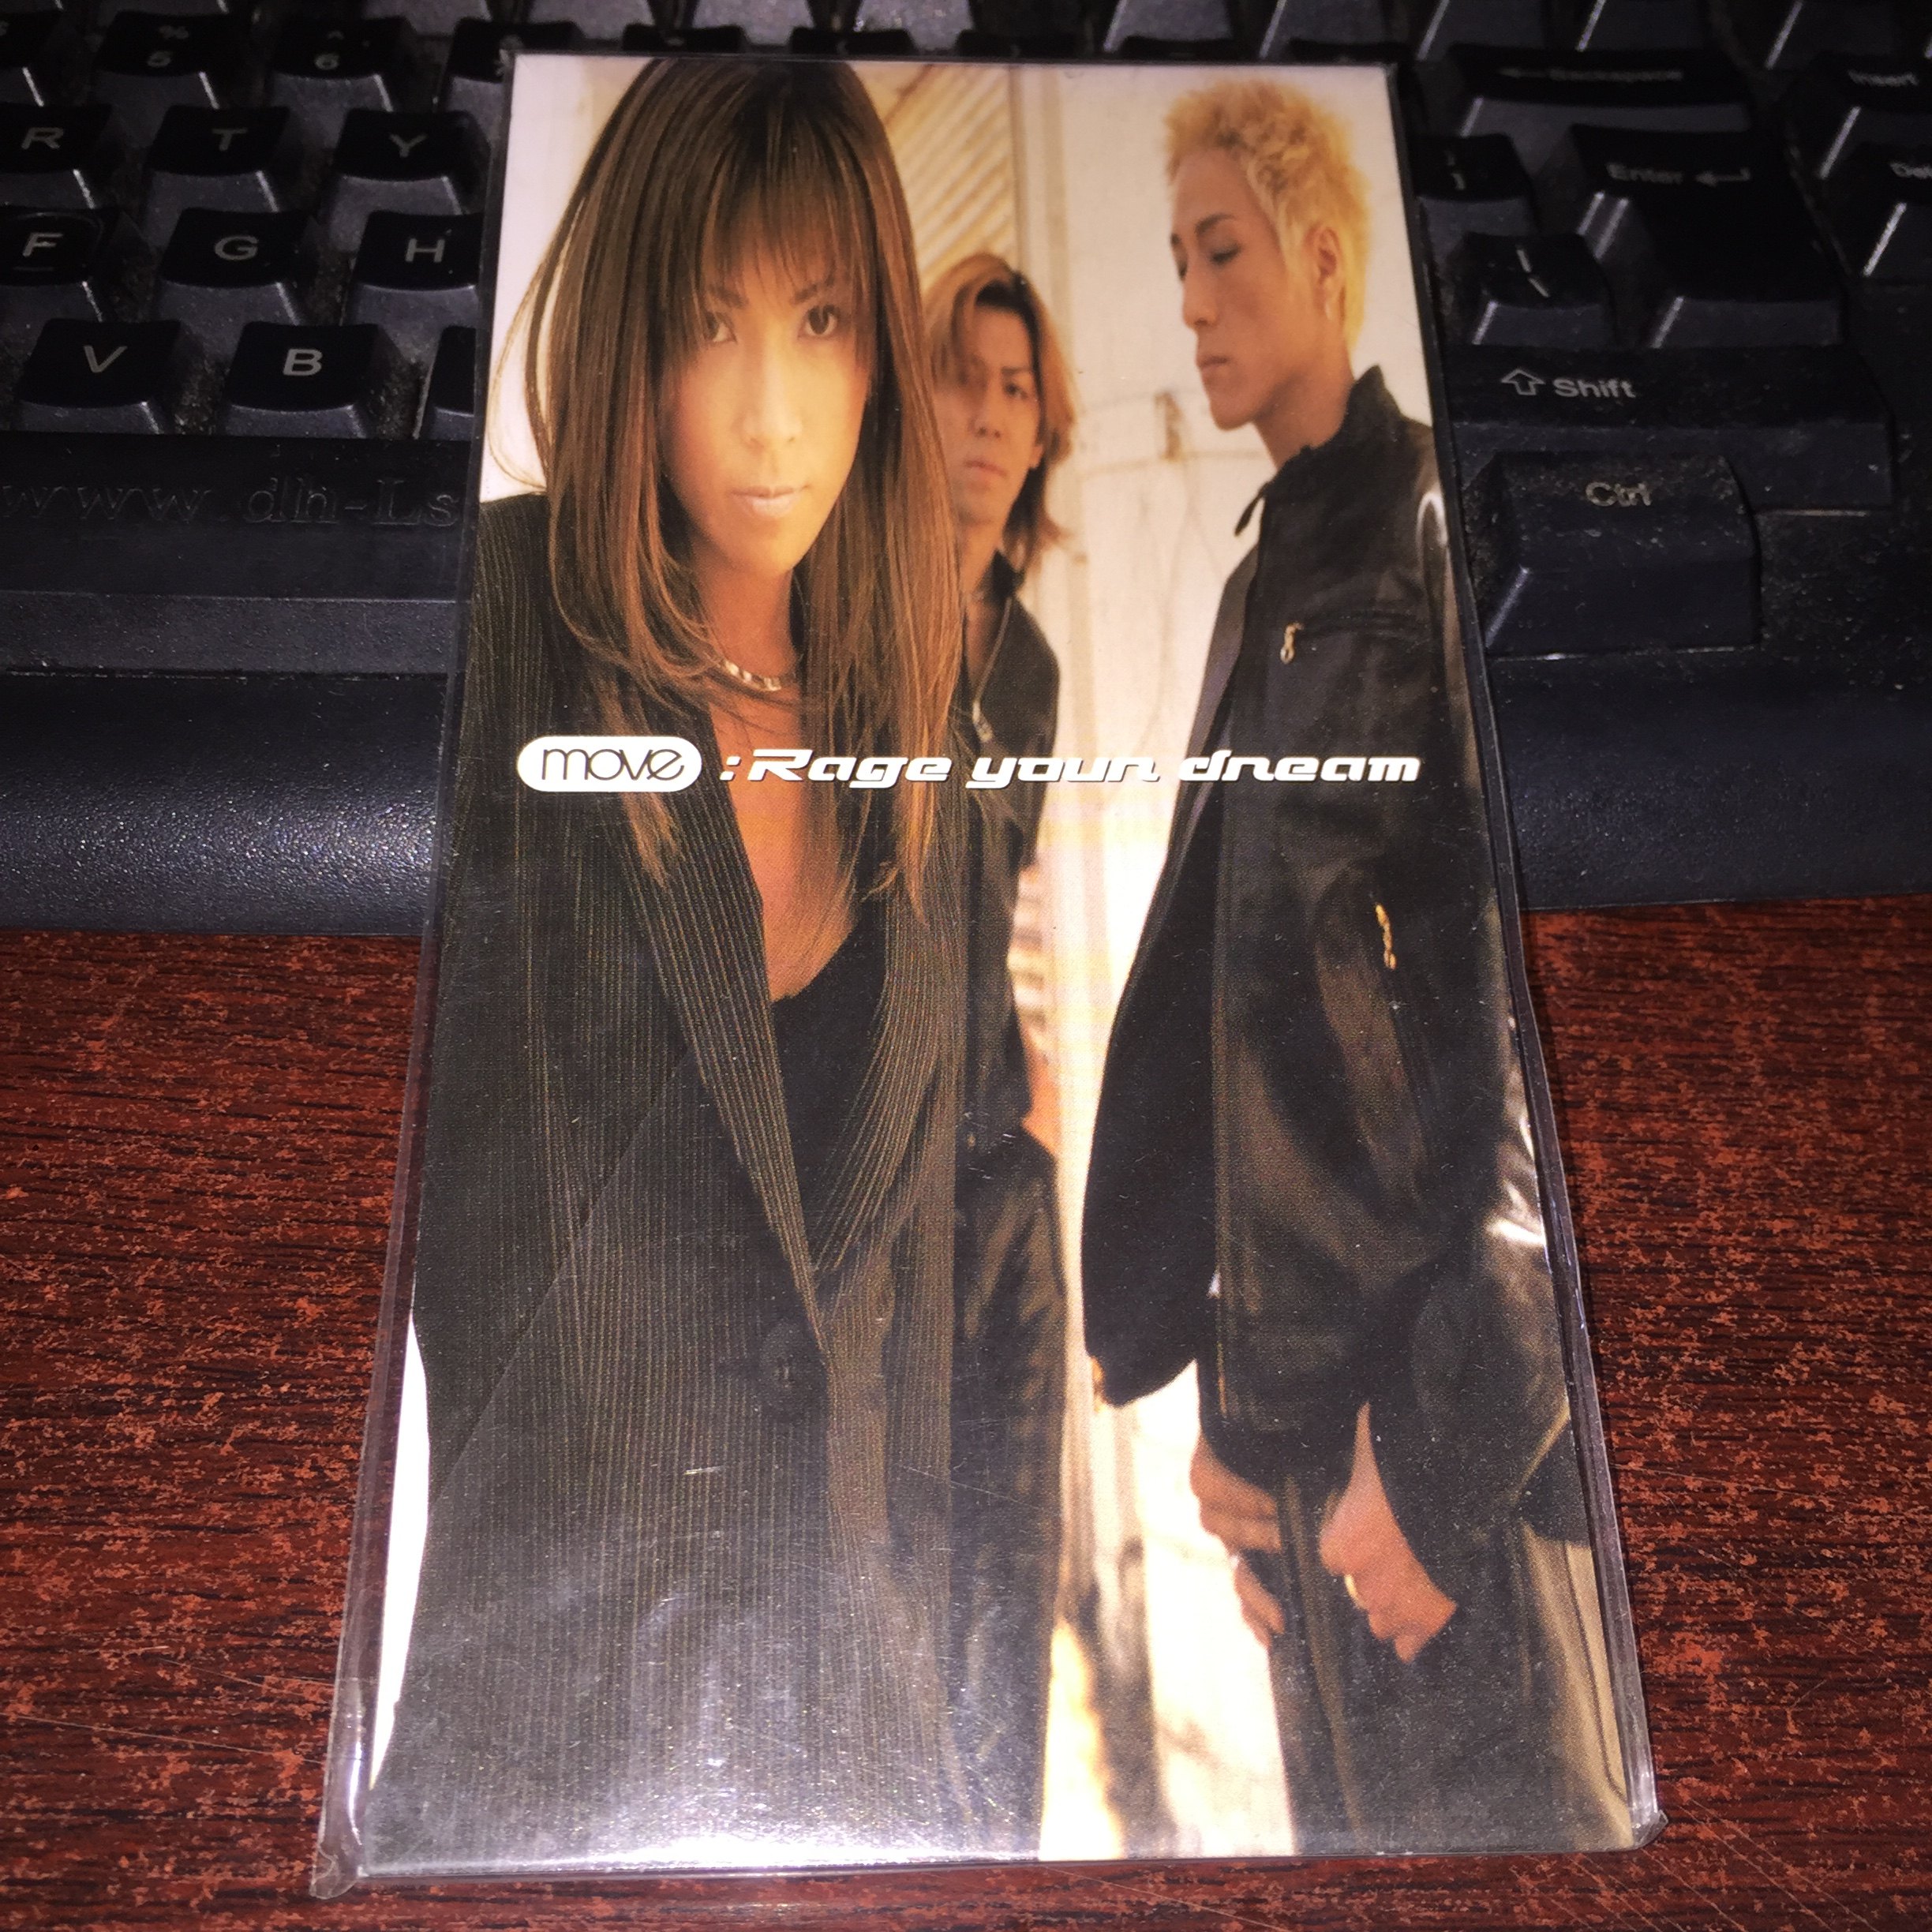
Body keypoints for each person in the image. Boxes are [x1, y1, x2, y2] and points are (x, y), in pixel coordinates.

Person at [361, 58, 971, 1871]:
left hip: (863, 1763)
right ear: (632, 340)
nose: (773, 414)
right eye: (712, 327)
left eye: (821, 323)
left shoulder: (914, 736)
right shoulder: (495, 634)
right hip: (544, 1756)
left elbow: (904, 1315)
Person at [1079, 78, 1633, 1852]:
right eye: (1177, 260)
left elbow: (1545, 1038)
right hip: (1313, 1460)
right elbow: (1255, 1020)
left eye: (1223, 251)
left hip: (1445, 1451)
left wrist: (1445, 1451)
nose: (1191, 299)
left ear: (1323, 255)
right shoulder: (1268, 579)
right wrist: (1238, 1419)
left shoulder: (1433, 533)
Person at [922, 253, 1076, 1850]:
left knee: (1007, 1591)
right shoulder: (837, 613)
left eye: (1014, 387)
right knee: (898, 1592)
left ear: (1043, 431)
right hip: (873, 1179)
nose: (985, 412)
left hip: (1001, 1180)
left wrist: (1028, 1084)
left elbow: (995, 901)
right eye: (959, 377)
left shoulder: (1029, 673)